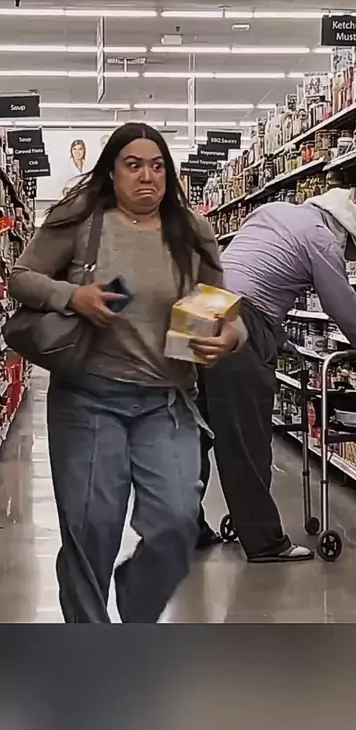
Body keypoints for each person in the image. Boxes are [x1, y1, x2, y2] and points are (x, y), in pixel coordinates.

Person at [8, 122, 244, 623]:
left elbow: (222, 307)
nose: (147, 177)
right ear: (111, 171)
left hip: (167, 403)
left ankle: (136, 615)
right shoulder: (81, 219)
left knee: (177, 523)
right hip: (88, 400)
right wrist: (74, 296)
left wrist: (230, 336)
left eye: (157, 166)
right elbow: (21, 278)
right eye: (133, 165)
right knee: (90, 530)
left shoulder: (191, 230)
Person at [198, 188, 356, 563]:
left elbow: (252, 270)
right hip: (239, 324)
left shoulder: (272, 211)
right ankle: (264, 542)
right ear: (341, 230)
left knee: (193, 430)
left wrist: (275, 337)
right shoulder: (321, 236)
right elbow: (342, 306)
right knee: (245, 438)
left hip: (200, 306)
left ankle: (186, 527)